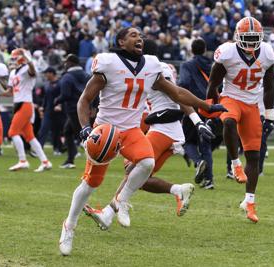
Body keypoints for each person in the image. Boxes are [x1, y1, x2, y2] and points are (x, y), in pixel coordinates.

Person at [59, 27, 226, 256]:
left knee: (147, 163)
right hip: (106, 129)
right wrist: (86, 128)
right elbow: (84, 100)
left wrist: (206, 107)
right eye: (134, 35)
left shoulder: (151, 65)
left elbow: (177, 93)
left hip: (130, 130)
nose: (140, 38)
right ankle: (69, 226)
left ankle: (122, 201)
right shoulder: (108, 63)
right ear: (121, 41)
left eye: (141, 35)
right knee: (90, 184)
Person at [83, 39, 216, 224]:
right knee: (141, 180)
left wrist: (197, 121)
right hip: (167, 129)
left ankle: (108, 214)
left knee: (132, 170)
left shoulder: (154, 69)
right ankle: (178, 190)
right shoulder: (156, 67)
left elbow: (177, 94)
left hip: (164, 128)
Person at [207, 17, 274, 223]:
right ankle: (235, 164)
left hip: (252, 105)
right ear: (237, 37)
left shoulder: (267, 52)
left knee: (254, 156)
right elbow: (213, 84)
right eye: (247, 38)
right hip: (231, 98)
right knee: (229, 122)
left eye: (254, 38)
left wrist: (270, 114)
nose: (251, 42)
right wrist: (210, 108)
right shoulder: (227, 52)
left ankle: (249, 201)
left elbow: (270, 85)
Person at [7, 48, 52, 172]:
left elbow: (33, 72)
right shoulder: (12, 73)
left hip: (25, 104)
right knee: (30, 136)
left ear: (22, 58)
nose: (12, 61)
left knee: (12, 132)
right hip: (17, 104)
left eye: (15, 58)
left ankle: (22, 160)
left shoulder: (27, 68)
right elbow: (9, 92)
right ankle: (45, 161)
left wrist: (29, 60)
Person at [178, 38, 215, 189]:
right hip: (210, 107)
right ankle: (209, 180)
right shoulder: (212, 65)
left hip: (193, 107)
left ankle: (198, 162)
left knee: (187, 141)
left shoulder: (187, 65)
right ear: (205, 49)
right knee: (205, 145)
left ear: (192, 50)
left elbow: (184, 84)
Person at [54, 54, 90, 169]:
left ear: (70, 63)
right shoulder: (87, 75)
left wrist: (57, 100)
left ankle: (96, 159)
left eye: (66, 62)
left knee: (83, 137)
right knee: (68, 131)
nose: (65, 64)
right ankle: (70, 159)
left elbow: (66, 94)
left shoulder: (67, 77)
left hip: (74, 109)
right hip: (88, 108)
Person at [37, 67, 64, 155]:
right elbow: (46, 97)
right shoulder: (47, 85)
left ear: (52, 73)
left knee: (56, 131)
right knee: (43, 130)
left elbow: (63, 95)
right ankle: (39, 149)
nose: (45, 75)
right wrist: (42, 107)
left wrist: (60, 105)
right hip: (48, 111)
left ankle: (57, 149)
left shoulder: (60, 83)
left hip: (57, 112)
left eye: (46, 73)